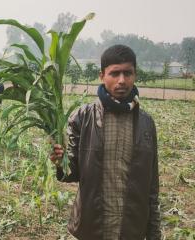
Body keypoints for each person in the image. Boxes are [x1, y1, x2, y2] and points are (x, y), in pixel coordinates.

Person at [50, 45, 161, 239]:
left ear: (135, 75)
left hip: (131, 229)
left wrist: (154, 233)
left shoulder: (146, 123)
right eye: (114, 73)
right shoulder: (82, 118)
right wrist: (61, 161)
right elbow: (73, 173)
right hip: (92, 227)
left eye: (128, 73)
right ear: (102, 76)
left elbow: (152, 186)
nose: (122, 80)